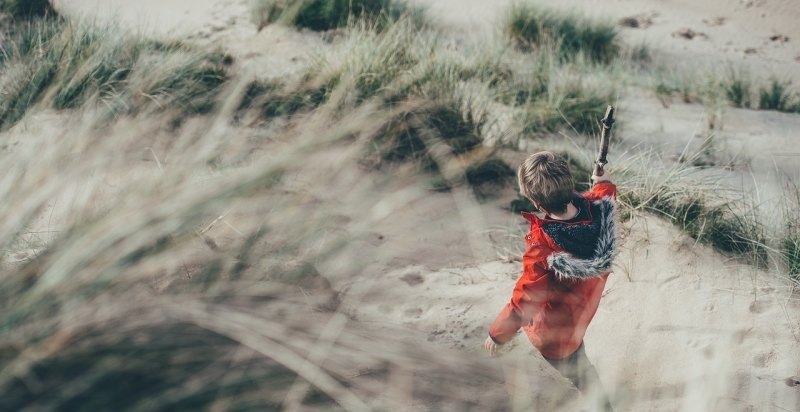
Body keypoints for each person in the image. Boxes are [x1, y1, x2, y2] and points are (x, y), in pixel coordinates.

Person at [484, 151, 616, 411]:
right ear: (571, 183)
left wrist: (497, 334)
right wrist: (603, 181)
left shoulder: (543, 247)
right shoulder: (599, 213)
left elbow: (525, 300)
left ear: (535, 201)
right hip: (579, 316)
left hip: (554, 335)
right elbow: (605, 195)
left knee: (582, 374)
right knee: (580, 358)